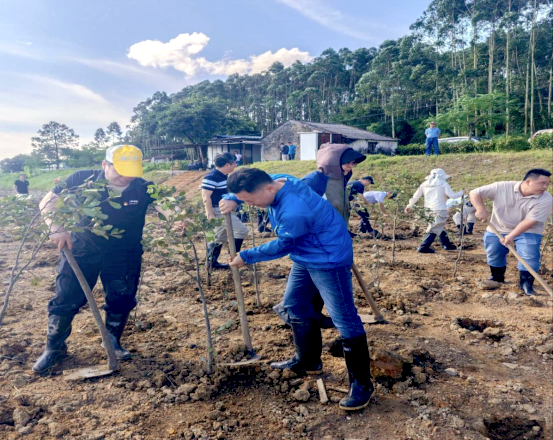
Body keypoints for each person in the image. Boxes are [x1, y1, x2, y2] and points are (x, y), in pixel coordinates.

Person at [222, 168, 375, 411]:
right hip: (307, 254)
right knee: (295, 304)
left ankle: (362, 385)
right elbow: (267, 177)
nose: (249, 205)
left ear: (269, 189)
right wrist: (231, 198)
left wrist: (247, 256)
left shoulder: (294, 211)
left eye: (250, 200)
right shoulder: (281, 180)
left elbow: (283, 244)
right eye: (244, 201)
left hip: (328, 259)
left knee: (344, 319)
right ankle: (308, 361)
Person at [32, 145, 175, 374]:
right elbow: (48, 202)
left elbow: (168, 207)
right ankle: (54, 348)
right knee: (66, 297)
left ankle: (112, 341)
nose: (125, 176)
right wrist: (56, 228)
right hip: (81, 249)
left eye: (131, 171)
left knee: (122, 297)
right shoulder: (82, 179)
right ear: (104, 165)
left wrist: (177, 219)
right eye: (119, 170)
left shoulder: (144, 187)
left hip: (125, 254)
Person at [469, 169, 552, 295]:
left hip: (529, 230)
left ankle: (526, 284)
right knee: (494, 251)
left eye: (548, 183)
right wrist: (480, 209)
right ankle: (497, 277)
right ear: (528, 181)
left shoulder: (545, 199)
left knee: (529, 255)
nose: (545, 187)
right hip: (498, 227)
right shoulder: (502, 187)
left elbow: (530, 221)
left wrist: (512, 235)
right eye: (542, 183)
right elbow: (475, 192)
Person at [201, 153, 249, 269]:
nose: (236, 165)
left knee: (218, 237)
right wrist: (210, 214)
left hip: (223, 209)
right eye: (234, 163)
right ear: (228, 164)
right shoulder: (211, 177)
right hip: (217, 210)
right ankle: (233, 259)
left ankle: (211, 263)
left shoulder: (223, 175)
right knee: (242, 231)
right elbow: (205, 197)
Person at [405, 168, 463, 253]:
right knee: (434, 228)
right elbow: (452, 196)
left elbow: (416, 196)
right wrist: (462, 192)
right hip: (440, 209)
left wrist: (409, 205)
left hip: (428, 210)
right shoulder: (443, 184)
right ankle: (423, 247)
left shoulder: (424, 184)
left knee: (439, 226)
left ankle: (447, 245)